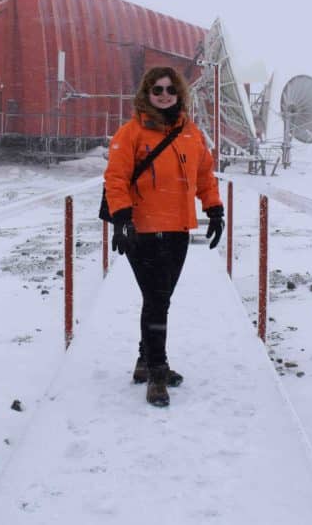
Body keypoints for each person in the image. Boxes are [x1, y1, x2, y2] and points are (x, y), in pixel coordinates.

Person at [103, 66, 224, 407]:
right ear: (147, 93)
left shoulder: (191, 133)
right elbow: (116, 178)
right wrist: (122, 220)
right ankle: (157, 371)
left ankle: (145, 359)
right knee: (158, 300)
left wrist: (214, 208)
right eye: (157, 90)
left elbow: (204, 175)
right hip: (142, 230)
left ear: (179, 93)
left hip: (178, 230)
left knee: (160, 299)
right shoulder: (131, 133)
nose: (164, 95)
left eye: (170, 89)